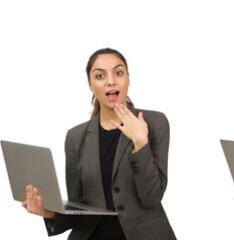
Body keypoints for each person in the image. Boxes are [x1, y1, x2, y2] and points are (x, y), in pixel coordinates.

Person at [22, 48, 176, 240]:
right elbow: (79, 208)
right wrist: (49, 213)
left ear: (128, 79)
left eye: (118, 73)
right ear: (90, 85)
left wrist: (140, 144)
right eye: (100, 76)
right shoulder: (75, 137)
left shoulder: (154, 123)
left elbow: (152, 197)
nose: (111, 81)